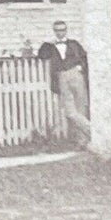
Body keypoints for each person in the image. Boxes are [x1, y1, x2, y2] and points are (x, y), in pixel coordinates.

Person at [37, 19, 93, 147]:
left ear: (66, 30)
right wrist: (46, 42)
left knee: (81, 107)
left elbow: (84, 57)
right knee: (69, 111)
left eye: (62, 30)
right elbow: (41, 56)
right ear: (54, 31)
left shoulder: (74, 44)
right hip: (61, 76)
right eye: (57, 30)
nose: (60, 33)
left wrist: (80, 68)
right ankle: (93, 130)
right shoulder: (50, 46)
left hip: (76, 74)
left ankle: (82, 142)